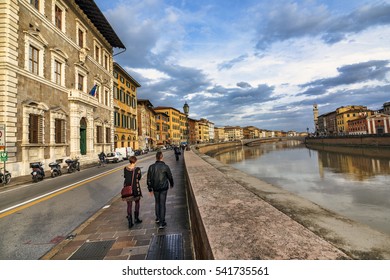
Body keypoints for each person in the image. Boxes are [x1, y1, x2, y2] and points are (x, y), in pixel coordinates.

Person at [147, 151, 174, 229]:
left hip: (155, 188)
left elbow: (148, 179)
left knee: (157, 202)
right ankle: (162, 222)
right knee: (162, 204)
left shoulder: (151, 167)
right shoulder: (165, 166)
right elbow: (170, 177)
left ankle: (158, 218)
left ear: (156, 158)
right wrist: (172, 184)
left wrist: (150, 189)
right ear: (162, 157)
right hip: (163, 188)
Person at [123, 156, 143, 228]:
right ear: (135, 161)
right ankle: (136, 218)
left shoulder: (125, 168)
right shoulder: (137, 169)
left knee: (129, 205)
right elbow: (139, 177)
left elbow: (125, 176)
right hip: (135, 188)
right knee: (137, 203)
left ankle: (130, 221)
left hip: (127, 188)